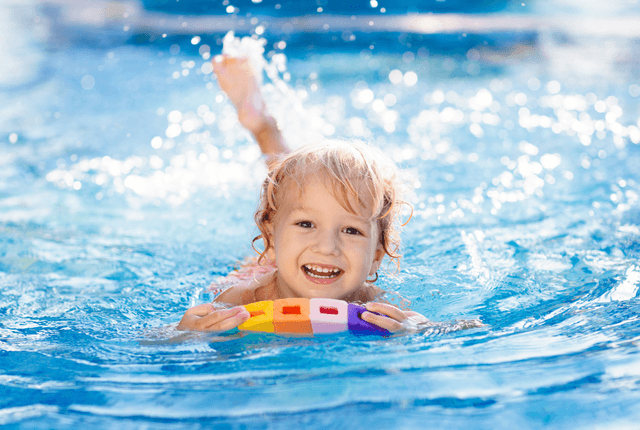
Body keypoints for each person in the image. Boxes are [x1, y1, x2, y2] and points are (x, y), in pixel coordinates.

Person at [177, 54, 429, 334]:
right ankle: (262, 125)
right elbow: (155, 344)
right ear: (269, 239)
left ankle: (264, 127)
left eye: (351, 230)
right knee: (289, 188)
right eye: (306, 225)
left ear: (376, 257)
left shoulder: (377, 304)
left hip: (292, 252)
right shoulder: (241, 298)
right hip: (265, 267)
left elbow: (462, 328)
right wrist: (187, 332)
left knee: (299, 195)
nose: (327, 247)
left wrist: (417, 328)